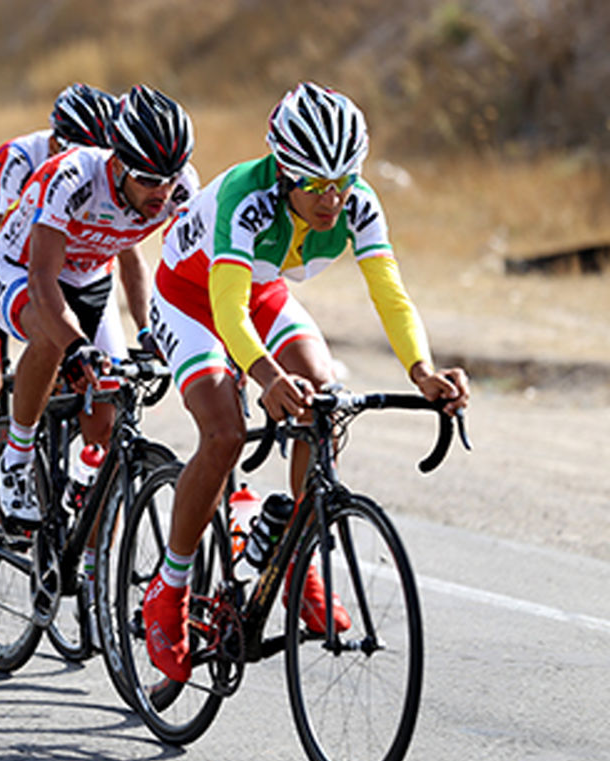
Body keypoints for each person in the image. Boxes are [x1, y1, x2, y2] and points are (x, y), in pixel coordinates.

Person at [141, 81, 471, 683]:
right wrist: (264, 376)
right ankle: (170, 587)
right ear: (285, 172)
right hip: (190, 296)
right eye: (317, 186)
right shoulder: (247, 198)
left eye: (343, 182)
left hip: (261, 289)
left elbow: (390, 295)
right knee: (224, 433)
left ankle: (297, 561)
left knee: (322, 395)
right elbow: (228, 312)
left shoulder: (358, 201)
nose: (333, 201)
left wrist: (422, 370)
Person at [0, 84, 198, 530]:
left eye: (171, 178)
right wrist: (76, 345)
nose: (162, 192)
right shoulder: (72, 177)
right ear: (117, 163)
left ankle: (82, 507)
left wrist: (150, 332)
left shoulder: (179, 188)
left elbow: (169, 269)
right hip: (19, 272)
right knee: (50, 337)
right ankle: (16, 458)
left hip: (89, 282)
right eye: (149, 180)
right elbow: (42, 278)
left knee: (107, 419)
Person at [0, 82, 119, 600]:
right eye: (70, 148)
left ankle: (81, 537)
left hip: (67, 271)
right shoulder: (21, 158)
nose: (78, 162)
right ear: (54, 139)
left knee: (108, 394)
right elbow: (9, 238)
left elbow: (127, 252)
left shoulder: (106, 178)